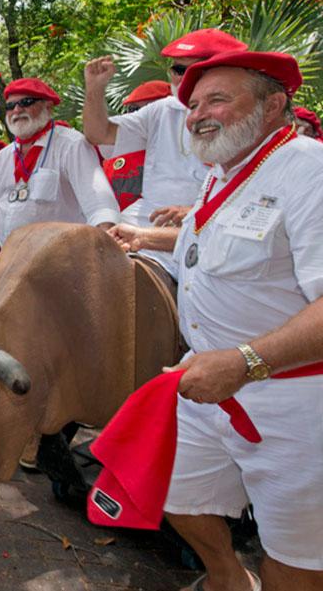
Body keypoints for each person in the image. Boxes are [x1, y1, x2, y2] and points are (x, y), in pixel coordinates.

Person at [142, 51, 323, 591]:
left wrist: (246, 362)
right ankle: (228, 577)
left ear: (274, 105)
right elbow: (208, 256)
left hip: (293, 407)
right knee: (173, 491)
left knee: (295, 558)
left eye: (217, 98)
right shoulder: (224, 173)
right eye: (193, 104)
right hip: (208, 386)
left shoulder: (308, 169)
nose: (197, 114)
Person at [81, 29, 248, 271]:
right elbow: (99, 134)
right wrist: (95, 89)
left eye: (196, 70)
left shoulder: (248, 120)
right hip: (142, 221)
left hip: (206, 232)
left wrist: (193, 211)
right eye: (178, 70)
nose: (184, 78)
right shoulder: (161, 111)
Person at [0, 78, 121, 293]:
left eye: (26, 102)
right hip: (8, 266)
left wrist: (108, 260)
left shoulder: (70, 144)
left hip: (60, 268)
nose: (17, 110)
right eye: (11, 106)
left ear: (48, 106)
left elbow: (99, 203)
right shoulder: (3, 156)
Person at [103, 81, 172, 211]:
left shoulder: (186, 150)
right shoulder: (114, 149)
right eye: (133, 109)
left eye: (150, 109)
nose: (139, 115)